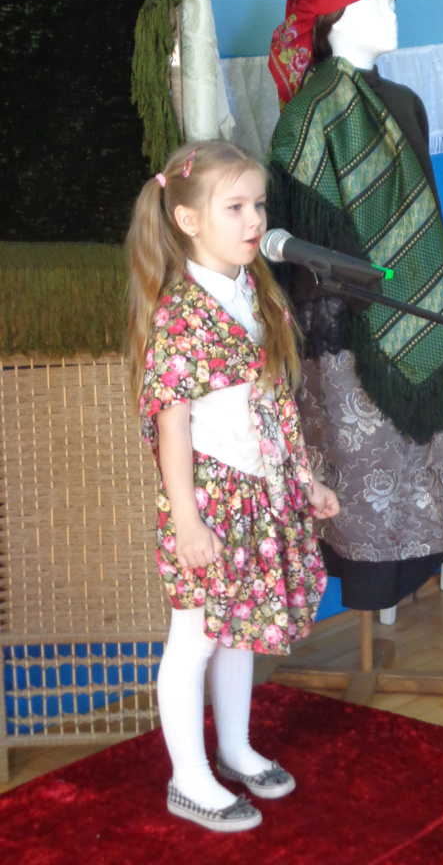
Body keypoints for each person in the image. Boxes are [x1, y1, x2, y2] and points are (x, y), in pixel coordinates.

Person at [126, 140, 338, 832]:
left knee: (239, 629)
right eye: (236, 207)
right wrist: (187, 521)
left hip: (260, 492)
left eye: (259, 206)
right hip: (211, 501)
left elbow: (274, 405)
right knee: (195, 638)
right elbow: (172, 428)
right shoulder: (182, 313)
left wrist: (304, 479)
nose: (255, 221)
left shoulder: (255, 293)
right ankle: (189, 779)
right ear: (188, 220)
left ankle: (236, 747)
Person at [266, 0, 443, 614]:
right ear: (335, 20)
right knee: (365, 474)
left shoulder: (407, 102)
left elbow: (426, 213)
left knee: (422, 464)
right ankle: (364, 590)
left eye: (392, 2)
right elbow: (296, 235)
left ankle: (412, 573)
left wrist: (429, 295)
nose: (393, 15)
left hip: (427, 309)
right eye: (377, 5)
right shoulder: (307, 116)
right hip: (348, 330)